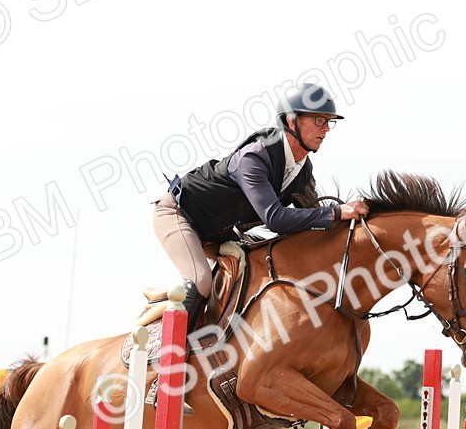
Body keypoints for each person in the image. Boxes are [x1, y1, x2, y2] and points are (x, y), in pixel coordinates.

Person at [153, 82, 370, 328]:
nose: (326, 129)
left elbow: (310, 219)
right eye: (319, 120)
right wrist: (337, 212)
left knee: (259, 269)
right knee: (201, 281)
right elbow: (275, 219)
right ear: (291, 121)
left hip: (217, 234)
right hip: (178, 214)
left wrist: (351, 223)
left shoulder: (302, 170)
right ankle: (170, 348)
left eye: (329, 121)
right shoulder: (254, 157)